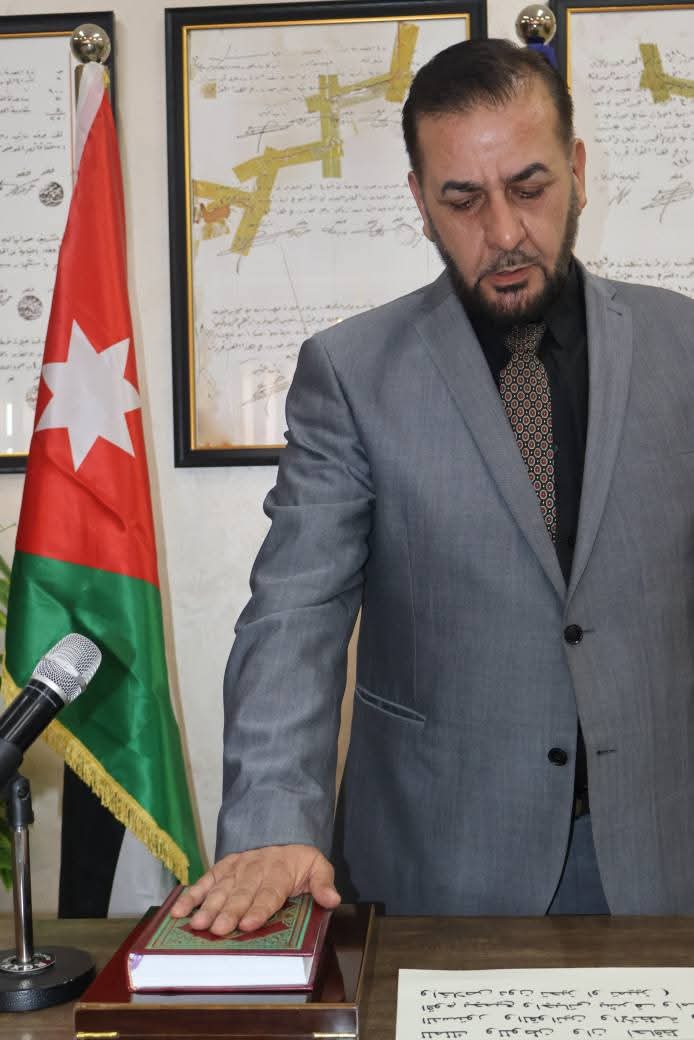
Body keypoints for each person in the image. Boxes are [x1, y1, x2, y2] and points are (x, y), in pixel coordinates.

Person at [173, 38, 694, 935]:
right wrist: (271, 824)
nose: (504, 232)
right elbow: (295, 609)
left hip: (663, 856)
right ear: (420, 202)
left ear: (577, 172)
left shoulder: (682, 346)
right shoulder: (353, 373)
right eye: (463, 200)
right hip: (441, 865)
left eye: (529, 188)